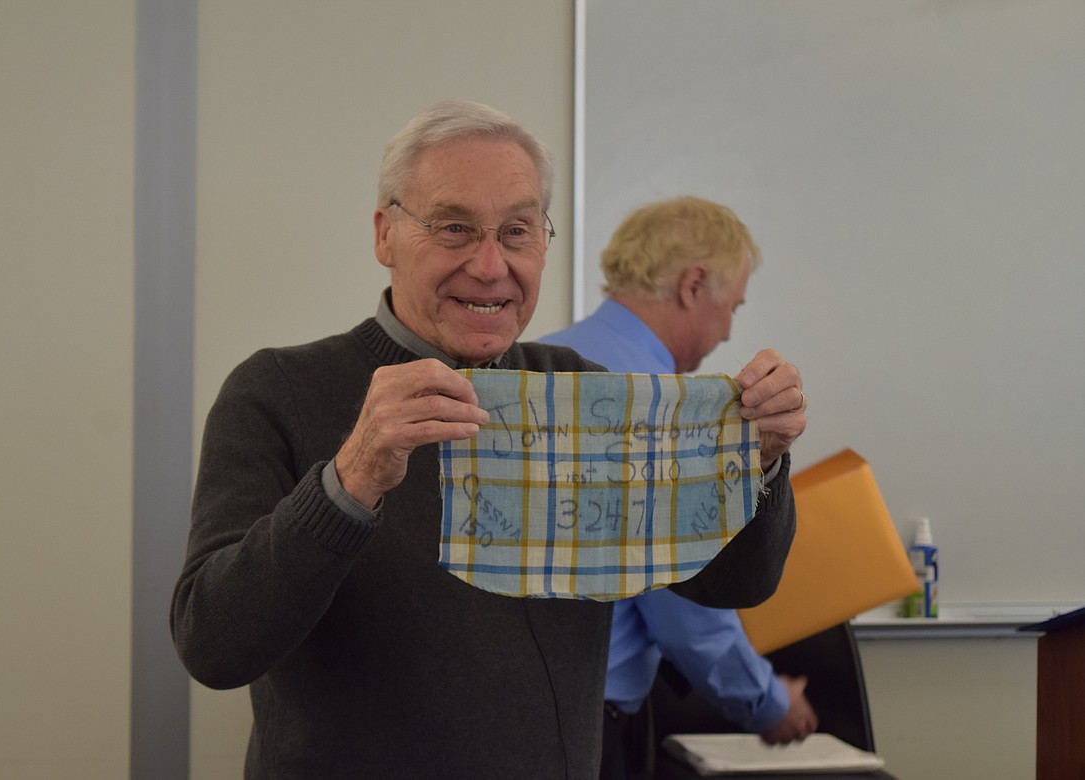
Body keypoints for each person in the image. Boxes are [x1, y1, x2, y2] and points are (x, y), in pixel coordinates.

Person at [169, 100, 806, 779]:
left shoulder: (581, 390)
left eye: (518, 231)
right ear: (385, 234)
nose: (489, 265)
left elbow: (732, 582)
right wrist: (351, 480)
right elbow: (213, 644)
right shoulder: (276, 390)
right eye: (453, 229)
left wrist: (759, 462)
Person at [541, 196, 817, 780]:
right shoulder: (660, 405)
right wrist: (767, 703)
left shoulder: (543, 363)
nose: (727, 332)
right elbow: (685, 604)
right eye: (732, 308)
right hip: (595, 728)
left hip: (531, 714)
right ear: (694, 284)